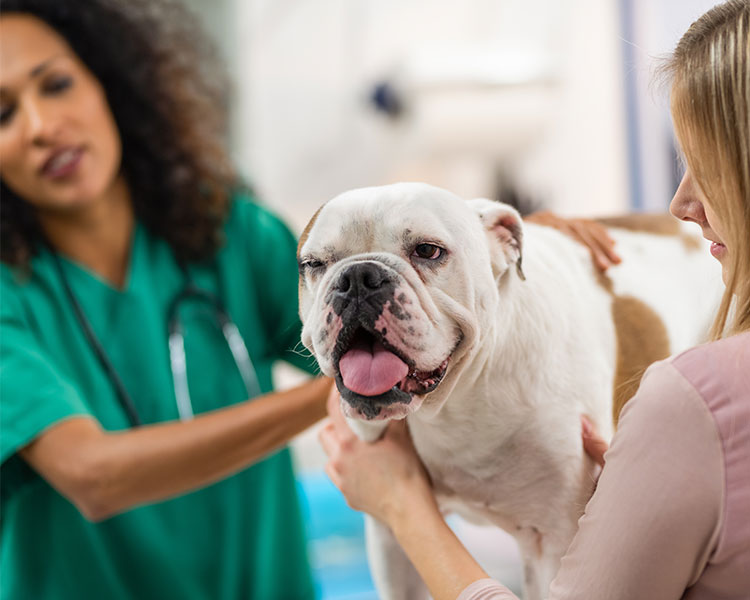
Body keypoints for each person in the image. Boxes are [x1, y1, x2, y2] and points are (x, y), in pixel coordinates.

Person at [319, 1, 750, 599]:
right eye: (319, 266)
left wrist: (400, 505)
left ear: (505, 248)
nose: (678, 205)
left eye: (428, 252)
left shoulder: (693, 400)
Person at [0, 1, 333, 598]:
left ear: (110, 80)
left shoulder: (232, 234)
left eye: (56, 84)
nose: (41, 126)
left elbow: (367, 354)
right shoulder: (12, 297)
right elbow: (90, 476)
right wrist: (344, 394)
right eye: (2, 115)